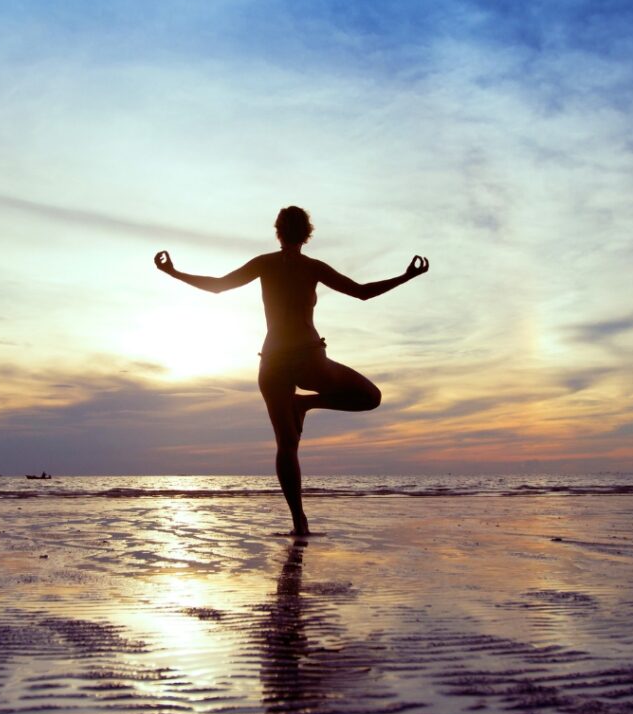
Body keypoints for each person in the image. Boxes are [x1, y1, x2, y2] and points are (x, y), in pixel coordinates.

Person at [154, 205, 429, 535]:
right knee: (370, 396)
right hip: (307, 358)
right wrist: (406, 276)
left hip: (271, 363)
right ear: (307, 234)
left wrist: (173, 272)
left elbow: (218, 286)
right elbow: (361, 293)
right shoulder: (311, 266)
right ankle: (307, 403)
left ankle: (299, 522)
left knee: (286, 445)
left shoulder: (265, 263)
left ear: (278, 232)